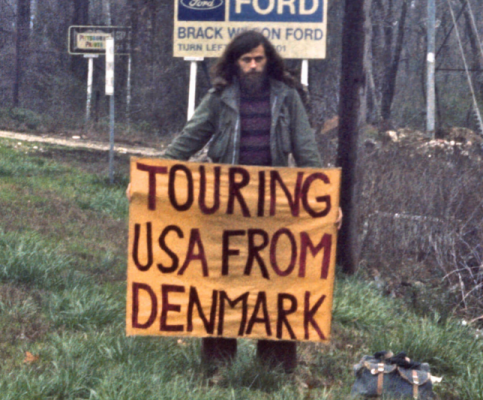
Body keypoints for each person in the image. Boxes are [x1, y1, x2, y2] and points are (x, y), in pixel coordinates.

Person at [130, 30, 340, 371]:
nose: (254, 65)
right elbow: (188, 139)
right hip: (225, 210)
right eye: (246, 59)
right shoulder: (219, 98)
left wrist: (324, 200)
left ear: (268, 59)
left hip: (274, 209)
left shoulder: (287, 97)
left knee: (276, 286)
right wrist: (147, 179)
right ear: (235, 62)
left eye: (259, 58)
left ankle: (274, 369)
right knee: (219, 287)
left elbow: (307, 152)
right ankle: (218, 367)